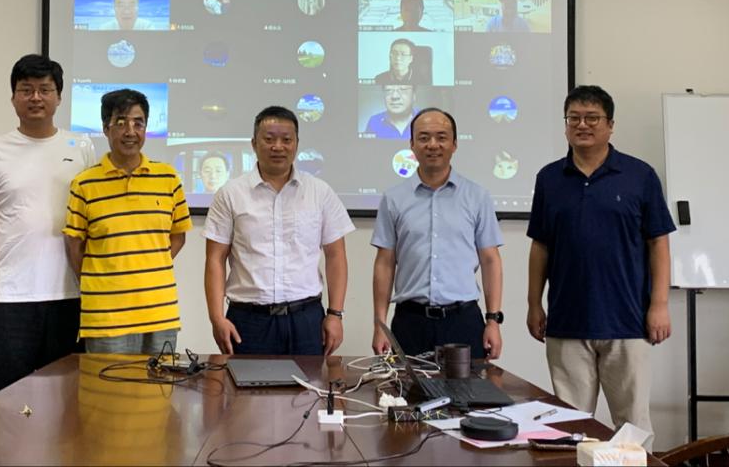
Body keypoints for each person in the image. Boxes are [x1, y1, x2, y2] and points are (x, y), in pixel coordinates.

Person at [527, 85, 675, 440]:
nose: (582, 125)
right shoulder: (549, 179)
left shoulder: (639, 175)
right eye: (574, 118)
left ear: (610, 125)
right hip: (567, 321)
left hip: (628, 320)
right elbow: (540, 246)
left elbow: (659, 243)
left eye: (592, 118)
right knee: (569, 427)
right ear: (565, 125)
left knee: (632, 424)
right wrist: (534, 304)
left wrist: (659, 305)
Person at [0, 54, 96, 394]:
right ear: (13, 98)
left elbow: (93, 218)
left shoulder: (81, 147)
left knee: (67, 398)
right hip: (10, 294)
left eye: (45, 89)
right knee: (7, 400)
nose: (36, 97)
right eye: (26, 90)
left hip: (70, 292)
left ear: (59, 97)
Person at [204, 106, 354, 356]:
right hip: (249, 321)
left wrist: (335, 314)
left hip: (306, 319)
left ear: (296, 144)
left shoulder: (320, 192)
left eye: (286, 139)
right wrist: (216, 317)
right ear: (254, 144)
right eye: (269, 139)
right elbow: (215, 259)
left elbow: (336, 255)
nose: (278, 147)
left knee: (309, 383)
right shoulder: (230, 194)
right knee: (246, 384)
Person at [63, 88, 192, 354]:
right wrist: (104, 278)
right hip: (106, 316)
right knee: (107, 382)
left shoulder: (168, 178)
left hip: (160, 312)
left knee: (160, 381)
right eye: (120, 122)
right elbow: (74, 245)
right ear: (105, 128)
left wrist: (147, 266)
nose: (130, 131)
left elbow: (178, 236)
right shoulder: (84, 184)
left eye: (138, 123)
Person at [372, 108, 504, 360]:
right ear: (412, 144)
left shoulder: (477, 196)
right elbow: (385, 263)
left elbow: (490, 260)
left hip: (463, 321)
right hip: (410, 322)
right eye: (424, 138)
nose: (433, 145)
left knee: (470, 386)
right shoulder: (394, 198)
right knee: (406, 386)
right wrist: (380, 325)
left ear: (454, 144)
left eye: (441, 137)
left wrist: (493, 321)